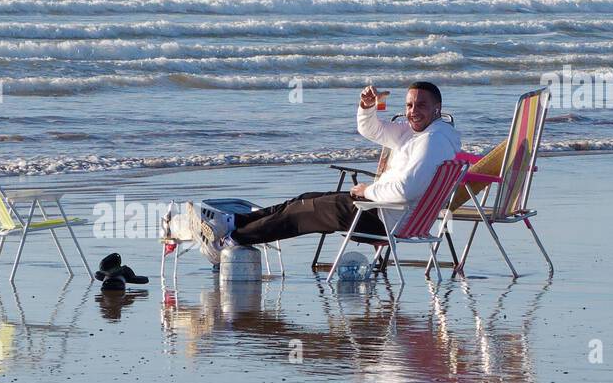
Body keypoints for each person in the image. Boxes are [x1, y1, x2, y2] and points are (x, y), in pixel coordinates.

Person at [186, 81, 461, 261]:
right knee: (302, 200)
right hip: (380, 209)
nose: (413, 111)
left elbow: (406, 189)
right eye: (409, 105)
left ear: (438, 108)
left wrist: (368, 190)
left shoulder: (432, 141)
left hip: (383, 220)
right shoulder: (419, 132)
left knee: (303, 213)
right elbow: (372, 129)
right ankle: (234, 222)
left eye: (421, 105)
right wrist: (367, 108)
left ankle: (229, 241)